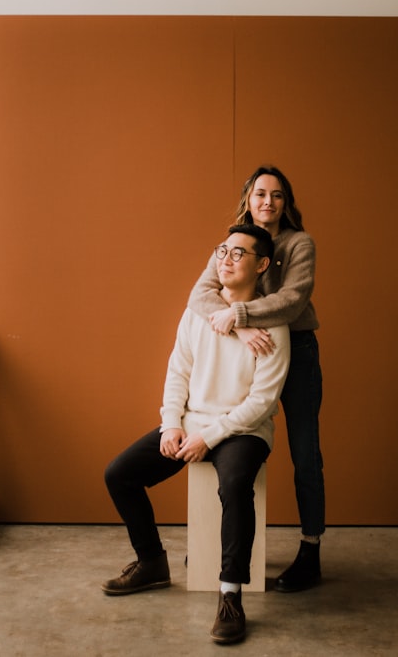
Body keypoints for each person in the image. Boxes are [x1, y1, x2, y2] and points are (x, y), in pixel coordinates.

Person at [102, 224, 290, 645]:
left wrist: (212, 434)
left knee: (237, 483)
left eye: (238, 254)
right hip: (192, 423)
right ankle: (151, 563)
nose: (225, 259)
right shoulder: (198, 312)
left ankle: (230, 597)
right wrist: (172, 423)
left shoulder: (273, 325)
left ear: (261, 265)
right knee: (119, 474)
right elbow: (178, 373)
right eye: (222, 250)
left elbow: (262, 401)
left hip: (244, 430)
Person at [187, 165, 325, 593]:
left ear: (287, 202)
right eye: (261, 193)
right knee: (228, 439)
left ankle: (310, 550)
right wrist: (239, 328)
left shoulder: (300, 242)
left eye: (278, 195)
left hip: (296, 351)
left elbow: (293, 299)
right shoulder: (234, 241)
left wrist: (240, 314)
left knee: (305, 453)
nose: (269, 202)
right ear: (248, 198)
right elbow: (200, 294)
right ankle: (216, 542)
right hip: (247, 350)